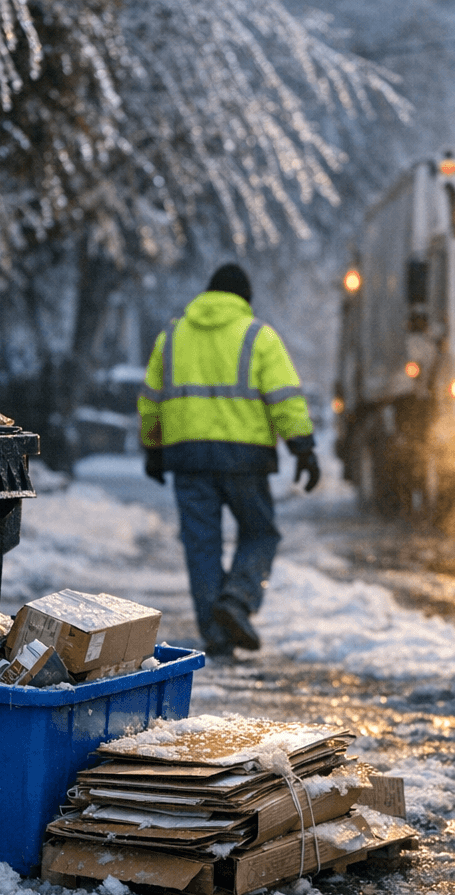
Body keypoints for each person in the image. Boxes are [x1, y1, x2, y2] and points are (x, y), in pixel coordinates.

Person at [138, 263, 320, 660]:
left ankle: (216, 634)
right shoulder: (258, 335)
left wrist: (153, 448)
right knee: (259, 533)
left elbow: (151, 399)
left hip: (187, 456)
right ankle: (237, 599)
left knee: (201, 545)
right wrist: (302, 447)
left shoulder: (172, 336)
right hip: (244, 456)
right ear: (244, 299)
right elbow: (284, 397)